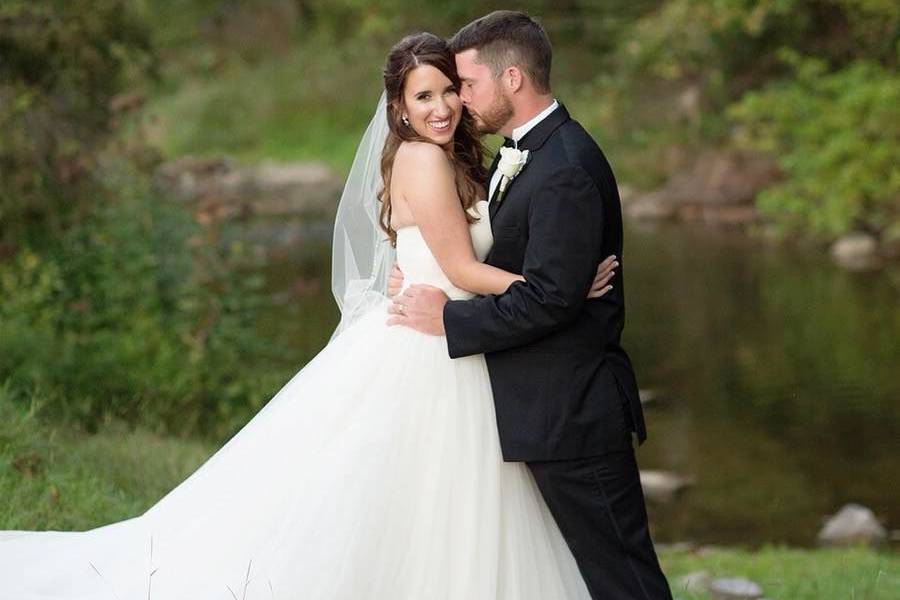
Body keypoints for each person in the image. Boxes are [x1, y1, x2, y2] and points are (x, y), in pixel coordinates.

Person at [0, 32, 618, 600]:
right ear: (398, 109)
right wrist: (554, 286)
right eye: (424, 95)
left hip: (454, 338)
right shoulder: (424, 159)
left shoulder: (459, 157)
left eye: (451, 90)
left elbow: (452, 250)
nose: (443, 106)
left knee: (431, 503)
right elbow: (459, 269)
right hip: (428, 348)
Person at [389, 12, 673, 600]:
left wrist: (449, 315)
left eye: (465, 85)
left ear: (512, 78)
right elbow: (527, 275)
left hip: (572, 411)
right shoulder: (519, 154)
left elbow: (547, 303)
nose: (458, 101)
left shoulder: (563, 167)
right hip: (535, 410)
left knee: (624, 579)